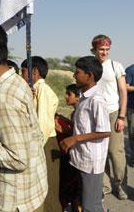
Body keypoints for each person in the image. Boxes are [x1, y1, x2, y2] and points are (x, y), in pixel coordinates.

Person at [0, 19, 47, 212]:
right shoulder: (15, 80)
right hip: (28, 192)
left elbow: (17, 158)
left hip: (13, 201)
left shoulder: (4, 97)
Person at [59, 56, 111, 212]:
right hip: (80, 158)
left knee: (91, 206)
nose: (74, 75)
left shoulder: (97, 100)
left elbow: (105, 131)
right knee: (81, 201)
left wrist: (74, 139)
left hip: (90, 162)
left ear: (89, 75)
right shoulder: (83, 98)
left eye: (77, 72)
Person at [91, 34, 128, 200]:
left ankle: (120, 184)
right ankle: (104, 186)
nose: (104, 52)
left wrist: (122, 116)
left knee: (115, 152)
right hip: (94, 113)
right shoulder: (90, 65)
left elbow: (123, 92)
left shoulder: (115, 66)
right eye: (101, 49)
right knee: (100, 152)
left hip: (113, 112)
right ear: (94, 49)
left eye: (107, 49)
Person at [21, 56, 61, 212]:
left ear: (34, 72)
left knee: (48, 187)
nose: (21, 75)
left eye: (23, 71)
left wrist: (35, 148)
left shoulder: (43, 90)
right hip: (42, 142)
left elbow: (43, 123)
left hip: (45, 143)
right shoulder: (34, 90)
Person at [55, 84, 81, 212]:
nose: (66, 96)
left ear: (78, 97)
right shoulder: (75, 112)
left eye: (69, 94)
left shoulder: (80, 112)